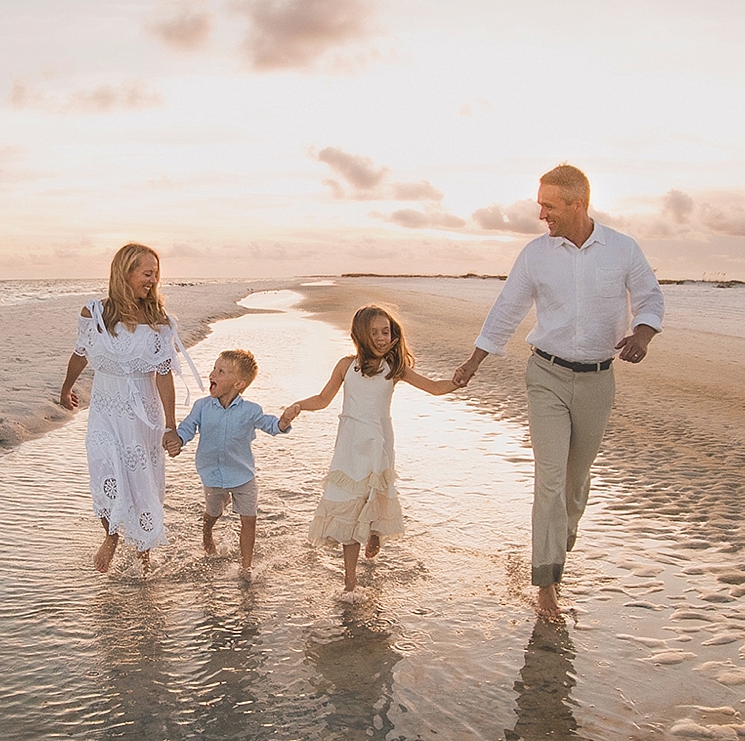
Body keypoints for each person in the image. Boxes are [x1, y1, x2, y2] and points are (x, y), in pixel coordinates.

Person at [451, 165, 663, 623]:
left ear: (577, 204)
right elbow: (507, 309)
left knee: (575, 481)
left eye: (549, 205)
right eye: (540, 204)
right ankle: (546, 586)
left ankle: (559, 535)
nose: (541, 214)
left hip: (597, 380)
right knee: (549, 479)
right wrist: (473, 362)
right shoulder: (535, 255)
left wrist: (642, 336)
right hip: (545, 375)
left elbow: (650, 298)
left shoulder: (622, 249)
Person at [286, 304, 458, 601]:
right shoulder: (345, 365)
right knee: (349, 508)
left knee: (374, 496)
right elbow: (323, 398)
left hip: (378, 445)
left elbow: (432, 387)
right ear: (360, 335)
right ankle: (350, 583)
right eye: (374, 333)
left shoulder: (395, 369)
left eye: (385, 332)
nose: (381, 338)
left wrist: (456, 382)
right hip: (350, 447)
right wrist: (298, 406)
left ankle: (375, 532)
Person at [59, 242, 193, 574]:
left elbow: (163, 376)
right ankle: (111, 536)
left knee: (142, 480)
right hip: (104, 409)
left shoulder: (159, 321)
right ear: (126, 273)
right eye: (147, 273)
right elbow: (80, 354)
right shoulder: (93, 313)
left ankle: (144, 555)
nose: (152, 280)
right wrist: (66, 388)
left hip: (143, 414)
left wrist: (170, 425)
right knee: (104, 468)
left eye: (156, 274)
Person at [164, 349, 294, 582]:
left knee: (249, 519)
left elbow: (270, 425)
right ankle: (207, 532)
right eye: (214, 368)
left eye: (220, 371)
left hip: (243, 475)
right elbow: (187, 427)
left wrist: (283, 423)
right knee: (214, 511)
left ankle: (246, 567)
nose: (212, 373)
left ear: (239, 383)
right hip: (212, 474)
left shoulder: (250, 410)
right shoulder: (202, 406)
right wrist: (178, 440)